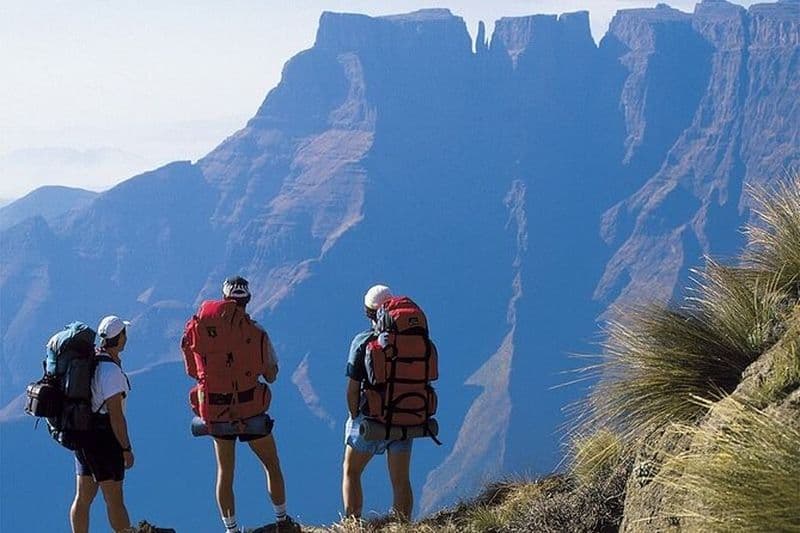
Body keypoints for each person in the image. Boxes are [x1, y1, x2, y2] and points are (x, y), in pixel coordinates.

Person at [182, 276, 299, 533]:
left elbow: (192, 370)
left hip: (216, 411)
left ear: (225, 299)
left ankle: (231, 529)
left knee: (225, 472)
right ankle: (282, 521)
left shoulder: (199, 330)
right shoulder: (257, 333)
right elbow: (271, 375)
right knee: (271, 464)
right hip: (251, 411)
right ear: (247, 300)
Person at [342, 284, 414, 521]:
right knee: (401, 480)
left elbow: (353, 390)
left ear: (368, 313)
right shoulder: (411, 340)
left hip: (371, 418)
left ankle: (353, 524)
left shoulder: (362, 341)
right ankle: (403, 525)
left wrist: (355, 416)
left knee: (352, 471)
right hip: (406, 415)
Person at [70, 315, 135, 533]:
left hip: (82, 435)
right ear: (120, 338)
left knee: (84, 496)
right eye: (124, 333)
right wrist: (126, 448)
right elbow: (116, 416)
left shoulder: (93, 361)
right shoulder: (111, 373)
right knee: (114, 498)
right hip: (104, 439)